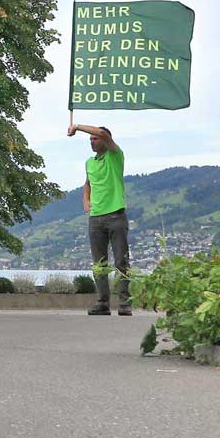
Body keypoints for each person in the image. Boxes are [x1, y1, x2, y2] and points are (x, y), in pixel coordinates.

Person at [69, 123, 132, 316]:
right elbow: (88, 183)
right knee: (99, 263)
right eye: (90, 140)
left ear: (105, 140)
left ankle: (125, 303)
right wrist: (85, 199)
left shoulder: (115, 155)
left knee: (121, 261)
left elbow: (103, 132)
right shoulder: (90, 162)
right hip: (95, 218)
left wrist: (78, 127)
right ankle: (103, 303)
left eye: (95, 138)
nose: (92, 141)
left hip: (116, 215)